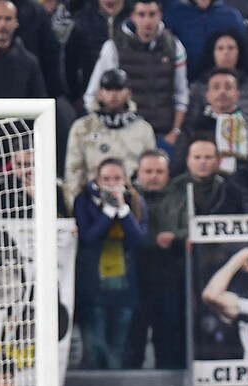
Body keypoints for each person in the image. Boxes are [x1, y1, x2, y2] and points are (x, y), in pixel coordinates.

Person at [73, 157, 148, 369]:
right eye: (106, 179)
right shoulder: (84, 201)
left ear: (125, 180)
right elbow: (88, 237)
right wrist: (107, 212)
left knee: (118, 347)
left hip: (124, 287)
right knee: (94, 347)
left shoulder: (136, 201)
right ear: (97, 179)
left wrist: (122, 210)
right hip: (94, 287)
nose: (112, 184)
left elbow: (139, 241)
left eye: (117, 178)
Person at [83, 0, 189, 151]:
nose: (147, 21)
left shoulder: (174, 46)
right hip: (126, 134)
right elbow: (92, 95)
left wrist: (175, 132)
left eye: (152, 14)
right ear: (132, 16)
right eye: (141, 15)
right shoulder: (113, 47)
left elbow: (181, 94)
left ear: (160, 15)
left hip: (164, 134)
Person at [127, 149, 184, 369]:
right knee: (133, 341)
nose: (153, 176)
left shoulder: (180, 197)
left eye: (159, 171)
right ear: (138, 173)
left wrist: (176, 237)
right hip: (134, 280)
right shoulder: (127, 198)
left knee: (168, 339)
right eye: (148, 171)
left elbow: (192, 228)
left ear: (168, 173)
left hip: (170, 280)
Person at [64, 67, 156, 201]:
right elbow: (73, 171)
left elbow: (149, 169)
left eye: (119, 89)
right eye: (108, 89)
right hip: (93, 201)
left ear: (128, 93)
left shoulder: (143, 129)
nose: (113, 94)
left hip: (133, 200)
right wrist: (78, 206)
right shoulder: (82, 127)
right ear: (100, 93)